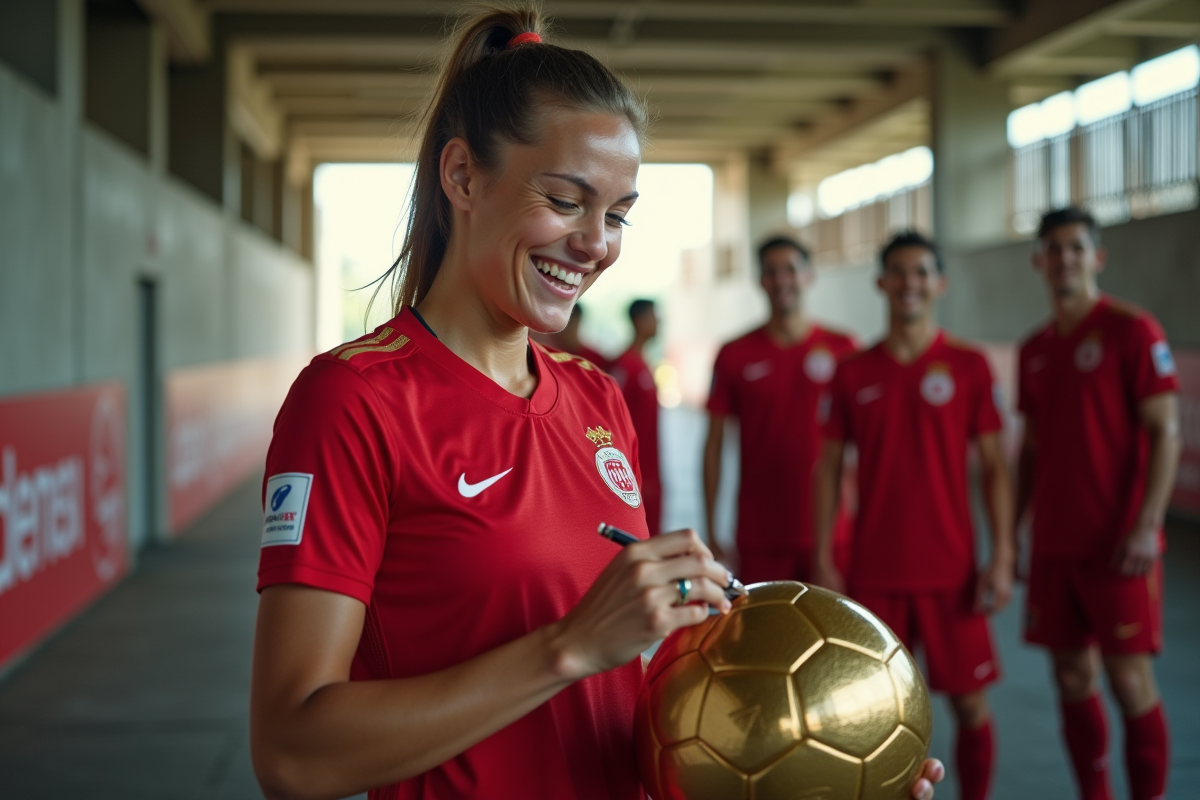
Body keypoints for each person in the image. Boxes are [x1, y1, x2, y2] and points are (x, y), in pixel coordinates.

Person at [249, 8, 944, 800]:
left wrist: (808, 761)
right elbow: (291, 751)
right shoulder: (354, 401)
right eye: (566, 199)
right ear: (462, 177)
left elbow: (612, 715)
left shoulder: (596, 399)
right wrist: (569, 646)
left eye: (616, 215)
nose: (595, 243)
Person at [813, 231, 1014, 800]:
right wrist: (826, 556)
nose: (910, 282)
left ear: (939, 283)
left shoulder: (969, 366)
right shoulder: (852, 372)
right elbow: (826, 469)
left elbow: (996, 467)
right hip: (875, 574)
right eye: (898, 272)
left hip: (953, 573)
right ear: (881, 283)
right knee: (874, 716)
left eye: (921, 272)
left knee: (971, 707)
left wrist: (1001, 555)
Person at [1017, 207, 1180, 800]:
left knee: (1129, 680)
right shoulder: (1034, 350)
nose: (1065, 258)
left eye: (1076, 248)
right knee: (1069, 676)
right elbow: (1031, 450)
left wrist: (1147, 524)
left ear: (1097, 257)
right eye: (1053, 249)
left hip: (1119, 548)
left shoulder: (1132, 331)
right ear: (1039, 260)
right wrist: (1014, 533)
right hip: (1056, 548)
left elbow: (1166, 431)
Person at [703, 235, 857, 582]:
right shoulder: (734, 354)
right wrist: (712, 526)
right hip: (760, 534)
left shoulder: (843, 349)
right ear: (760, 280)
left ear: (809, 276)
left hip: (833, 533)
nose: (781, 280)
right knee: (767, 636)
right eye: (771, 271)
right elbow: (713, 444)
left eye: (790, 269)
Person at [609, 299, 662, 535]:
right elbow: (610, 421)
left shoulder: (642, 365)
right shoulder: (625, 366)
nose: (658, 322)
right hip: (636, 476)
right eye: (653, 316)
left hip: (651, 474)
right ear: (639, 321)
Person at [528, 302, 610, 368]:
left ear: (578, 323)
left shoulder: (595, 359)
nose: (561, 331)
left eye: (568, 324)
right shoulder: (543, 354)